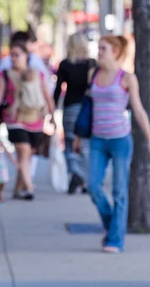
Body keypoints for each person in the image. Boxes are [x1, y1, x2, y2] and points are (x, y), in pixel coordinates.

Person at [75, 36, 150, 253]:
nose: (99, 52)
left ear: (115, 51)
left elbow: (138, 110)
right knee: (93, 185)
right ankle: (113, 224)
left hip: (120, 139)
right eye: (99, 48)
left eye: (103, 48)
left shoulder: (127, 78)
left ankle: (115, 240)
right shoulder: (93, 75)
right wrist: (77, 137)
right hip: (97, 139)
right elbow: (87, 107)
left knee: (120, 191)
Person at [0, 41, 55, 200]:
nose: (13, 58)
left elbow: (46, 95)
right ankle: (29, 188)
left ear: (26, 56)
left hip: (35, 118)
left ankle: (17, 188)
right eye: (11, 55)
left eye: (17, 54)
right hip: (14, 118)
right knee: (23, 150)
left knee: (26, 156)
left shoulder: (37, 73)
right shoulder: (5, 75)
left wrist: (53, 116)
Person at [54, 32, 96, 194]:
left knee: (71, 143)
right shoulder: (91, 64)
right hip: (87, 108)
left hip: (70, 107)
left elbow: (58, 89)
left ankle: (76, 172)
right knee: (86, 144)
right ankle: (84, 178)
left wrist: (52, 111)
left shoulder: (65, 64)